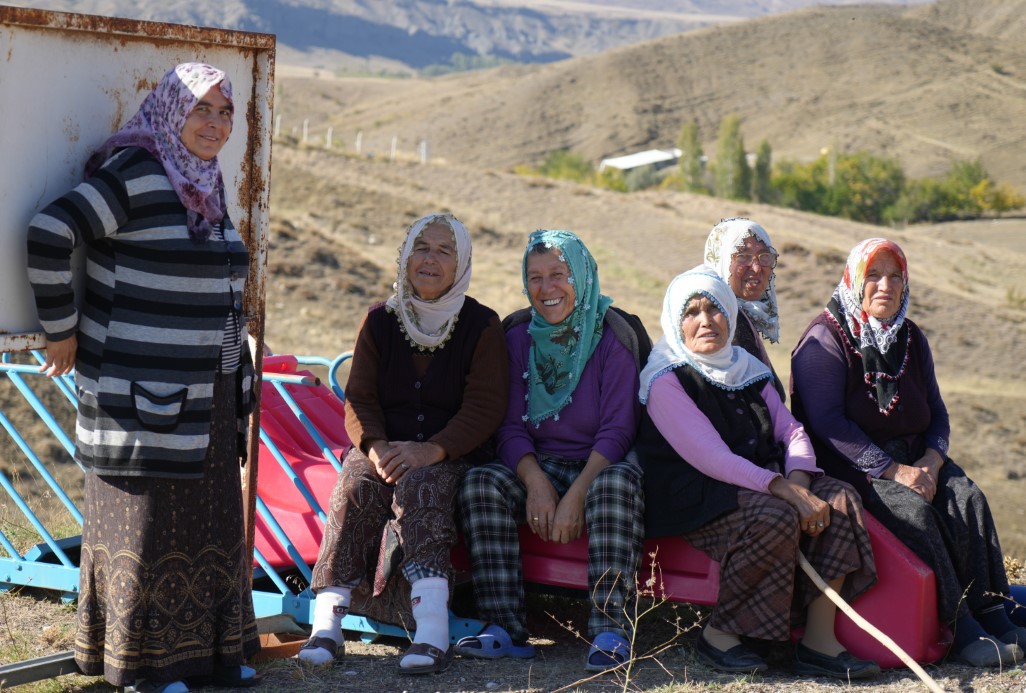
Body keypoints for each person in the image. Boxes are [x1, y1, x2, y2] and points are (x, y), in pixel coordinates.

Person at [26, 63, 260, 692]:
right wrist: (59, 328)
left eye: (224, 111)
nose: (213, 124)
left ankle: (214, 655)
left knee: (211, 522)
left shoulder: (203, 184)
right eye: (200, 109)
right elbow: (50, 232)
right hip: (139, 391)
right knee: (148, 526)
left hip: (208, 391)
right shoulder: (135, 173)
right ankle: (144, 671)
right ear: (169, 112)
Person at [791, 238, 1026, 667]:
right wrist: (892, 470)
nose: (886, 286)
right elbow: (827, 425)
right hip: (853, 465)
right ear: (854, 281)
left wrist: (932, 464)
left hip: (918, 457)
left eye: (895, 276)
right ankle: (959, 626)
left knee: (968, 498)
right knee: (914, 514)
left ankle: (993, 609)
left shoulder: (911, 337)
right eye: (873, 276)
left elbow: (937, 412)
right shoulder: (824, 341)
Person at [637, 269, 880, 679]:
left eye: (714, 308)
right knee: (775, 516)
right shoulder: (666, 379)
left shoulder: (744, 367)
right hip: (696, 494)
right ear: (676, 322)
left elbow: (792, 430)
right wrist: (785, 491)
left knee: (839, 499)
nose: (706, 320)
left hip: (763, 483)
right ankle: (719, 636)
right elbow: (709, 457)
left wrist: (801, 483)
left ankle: (819, 640)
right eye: (691, 312)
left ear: (730, 314)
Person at [298, 213, 508, 674]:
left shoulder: (481, 325)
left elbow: (485, 407)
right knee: (355, 484)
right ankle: (326, 626)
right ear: (405, 255)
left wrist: (432, 450)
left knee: (423, 488)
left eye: (444, 251)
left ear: (461, 264)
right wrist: (373, 448)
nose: (430, 260)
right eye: (422, 248)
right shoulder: (379, 320)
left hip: (449, 452)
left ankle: (431, 632)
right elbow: (360, 399)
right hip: (384, 448)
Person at [457, 229, 645, 672]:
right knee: (481, 483)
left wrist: (576, 494)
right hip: (537, 465)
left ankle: (609, 631)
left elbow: (618, 431)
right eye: (535, 277)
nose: (547, 289)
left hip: (600, 465)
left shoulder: (613, 334)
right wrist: (536, 482)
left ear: (581, 276)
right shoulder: (518, 337)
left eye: (559, 275)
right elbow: (507, 425)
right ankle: (503, 628)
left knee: (616, 485)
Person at [702, 217, 785, 401]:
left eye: (764, 256)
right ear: (721, 260)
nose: (756, 268)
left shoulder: (742, 316)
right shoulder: (721, 324)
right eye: (743, 256)